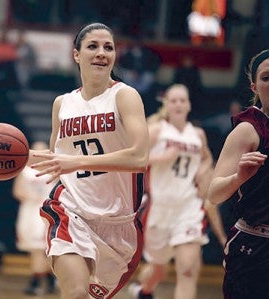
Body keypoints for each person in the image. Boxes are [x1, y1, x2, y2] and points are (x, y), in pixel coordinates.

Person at [30, 23, 150, 299]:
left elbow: (139, 157)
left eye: (108, 47)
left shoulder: (124, 96)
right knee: (75, 293)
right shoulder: (62, 104)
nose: (101, 53)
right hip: (71, 209)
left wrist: (78, 162)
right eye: (93, 46)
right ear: (76, 55)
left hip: (119, 222)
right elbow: (55, 159)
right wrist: (16, 159)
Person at [128, 84, 213, 299]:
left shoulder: (198, 134)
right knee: (159, 268)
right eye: (173, 100)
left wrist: (203, 172)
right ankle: (144, 291)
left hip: (188, 206)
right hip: (159, 208)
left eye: (182, 100)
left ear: (189, 105)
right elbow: (132, 159)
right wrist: (160, 158)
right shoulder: (157, 131)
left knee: (187, 269)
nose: (178, 104)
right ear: (166, 104)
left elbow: (206, 157)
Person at [207, 49, 269, 298]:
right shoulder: (249, 130)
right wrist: (239, 177)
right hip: (254, 247)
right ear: (255, 87)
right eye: (266, 77)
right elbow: (213, 193)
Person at [12, 141, 56, 296]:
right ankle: (50, 280)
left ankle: (36, 282)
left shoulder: (54, 170)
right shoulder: (24, 171)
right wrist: (30, 196)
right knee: (34, 249)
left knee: (41, 249)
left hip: (46, 212)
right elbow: (17, 191)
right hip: (29, 211)